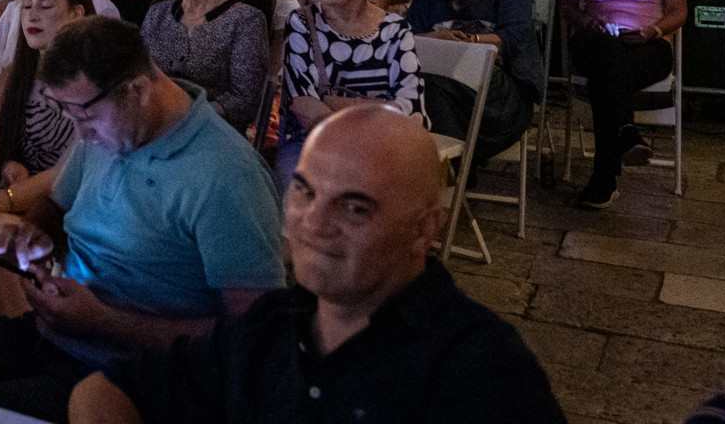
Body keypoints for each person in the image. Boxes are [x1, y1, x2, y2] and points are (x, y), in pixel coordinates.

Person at [0, 17, 284, 423]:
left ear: (138, 90)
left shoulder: (226, 176)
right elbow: (50, 216)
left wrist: (107, 323)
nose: (80, 134)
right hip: (58, 336)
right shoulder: (105, 131)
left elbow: (253, 337)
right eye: (70, 116)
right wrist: (25, 247)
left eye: (86, 116)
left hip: (134, 376)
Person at [70, 106, 568, 424]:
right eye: (305, 192)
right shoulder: (271, 326)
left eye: (355, 208)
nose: (314, 223)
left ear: (424, 229)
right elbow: (103, 392)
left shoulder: (482, 371)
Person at [558, 0, 687, 209]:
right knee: (608, 53)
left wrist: (651, 32)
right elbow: (567, 6)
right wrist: (590, 22)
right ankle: (625, 133)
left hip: (648, 44)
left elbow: (678, 11)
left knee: (607, 76)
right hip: (595, 39)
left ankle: (606, 176)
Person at [276, 0, 422, 192]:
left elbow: (410, 109)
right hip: (311, 145)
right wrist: (378, 107)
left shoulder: (395, 30)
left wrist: (335, 102)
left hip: (380, 149)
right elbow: (305, 106)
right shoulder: (302, 23)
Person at [408, 0, 546, 165]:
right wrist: (438, 38)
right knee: (421, 86)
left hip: (496, 99)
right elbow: (409, 37)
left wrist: (471, 43)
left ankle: (452, 171)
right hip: (442, 89)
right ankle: (455, 170)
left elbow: (515, 38)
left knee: (429, 87)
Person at [139, 0, 268, 133]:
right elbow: (140, 76)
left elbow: (244, 100)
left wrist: (181, 117)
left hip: (212, 132)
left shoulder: (245, 20)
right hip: (155, 127)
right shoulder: (157, 14)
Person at [0, 0, 91, 192]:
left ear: (76, 14)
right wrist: (10, 166)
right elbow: (0, 154)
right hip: (17, 197)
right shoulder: (16, 75)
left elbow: (84, 170)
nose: (32, 16)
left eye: (46, 6)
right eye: (26, 5)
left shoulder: (96, 80)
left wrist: (13, 198)